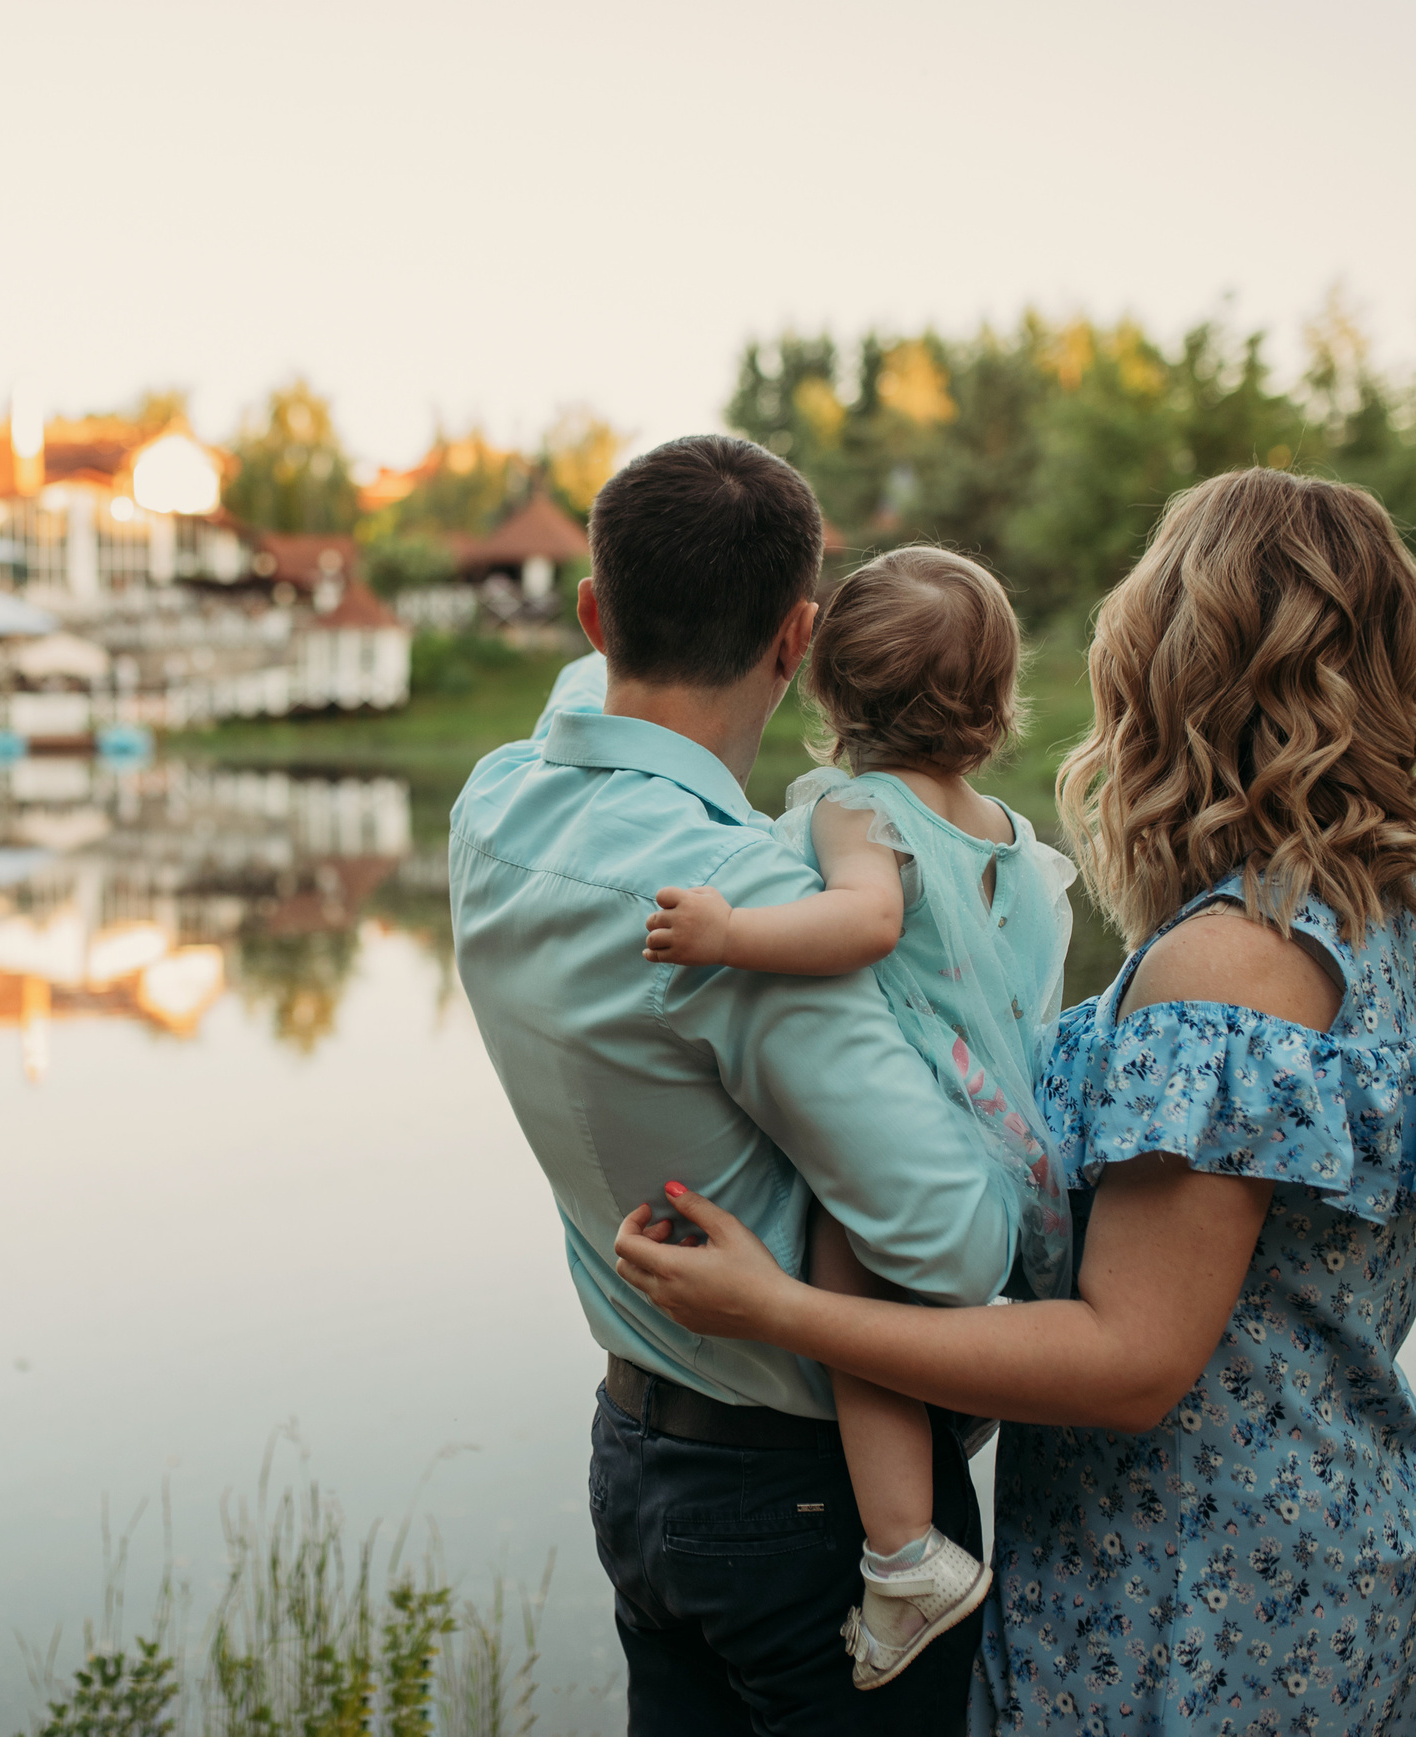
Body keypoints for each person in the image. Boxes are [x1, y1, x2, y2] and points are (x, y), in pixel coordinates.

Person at [612, 467, 1416, 1734]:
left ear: (1177, 678)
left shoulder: (1232, 962)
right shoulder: (1385, 932)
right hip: (1333, 1551)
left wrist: (781, 1309)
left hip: (1182, 1603)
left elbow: (1126, 1362)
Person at [449, 434, 1023, 1734]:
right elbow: (955, 1244)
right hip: (815, 1510)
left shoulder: (493, 809)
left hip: (639, 1457)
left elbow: (578, 701)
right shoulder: (750, 908)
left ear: (593, 610)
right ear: (796, 640)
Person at [640, 546, 1076, 1690]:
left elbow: (868, 923)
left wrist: (730, 937)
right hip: (1009, 1152)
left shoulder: (854, 808)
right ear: (995, 701)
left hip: (916, 1134)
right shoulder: (1009, 840)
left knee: (847, 1289)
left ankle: (902, 1552)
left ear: (829, 689)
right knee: (895, 1306)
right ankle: (934, 1478)